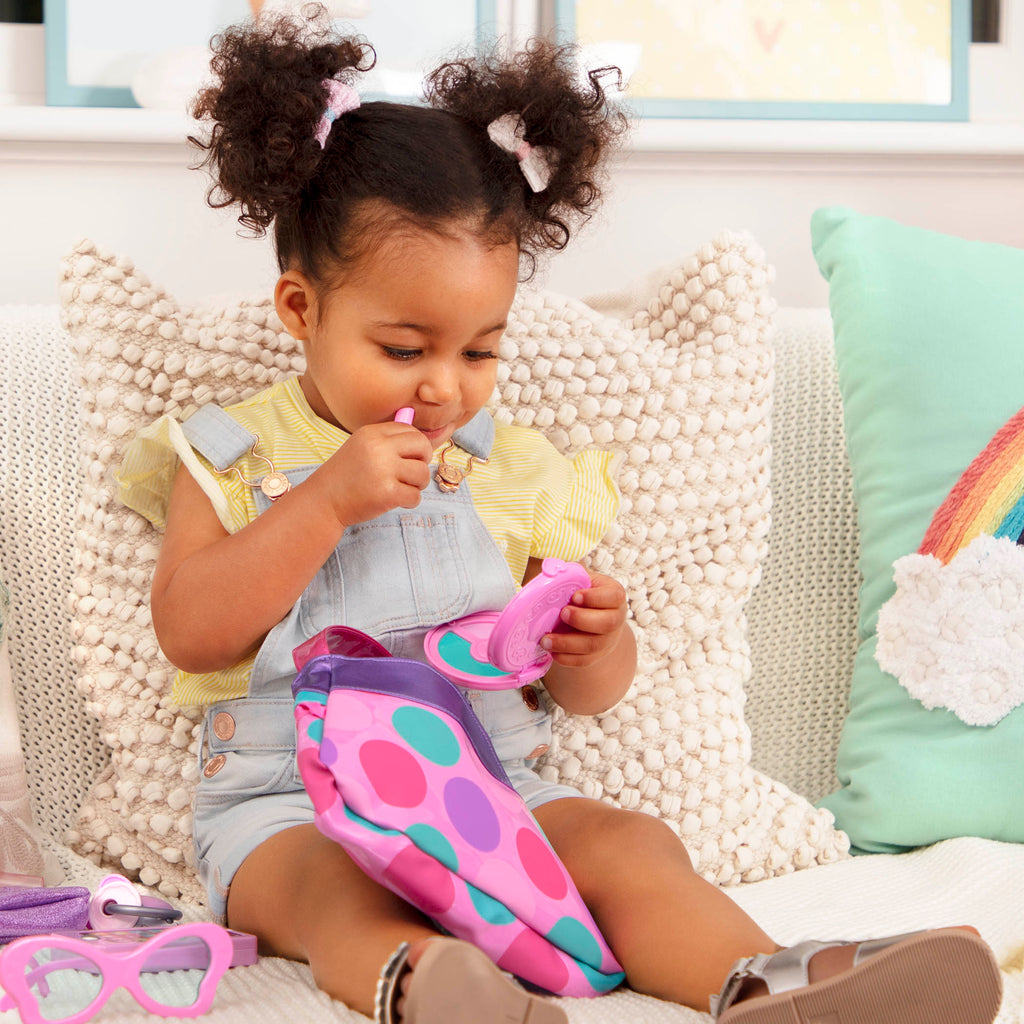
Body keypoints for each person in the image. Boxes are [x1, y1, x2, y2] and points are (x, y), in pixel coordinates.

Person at [118, 8, 1003, 1024]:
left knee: (632, 844)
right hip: (291, 804)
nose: (445, 386)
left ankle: (779, 983)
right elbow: (190, 629)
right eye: (404, 349)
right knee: (332, 891)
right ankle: (434, 987)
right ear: (301, 310)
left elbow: (584, 696)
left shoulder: (511, 469)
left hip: (493, 796)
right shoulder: (234, 452)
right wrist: (324, 501)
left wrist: (594, 641)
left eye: (480, 350)